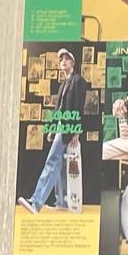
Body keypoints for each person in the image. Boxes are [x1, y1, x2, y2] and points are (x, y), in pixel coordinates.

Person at [18, 48, 86, 214]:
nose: (63, 61)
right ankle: (62, 202)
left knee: (52, 162)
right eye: (61, 59)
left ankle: (35, 202)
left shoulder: (78, 80)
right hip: (61, 126)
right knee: (60, 165)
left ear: (72, 62)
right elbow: (58, 109)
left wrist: (76, 130)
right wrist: (52, 129)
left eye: (66, 58)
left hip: (68, 127)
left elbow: (79, 107)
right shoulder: (63, 84)